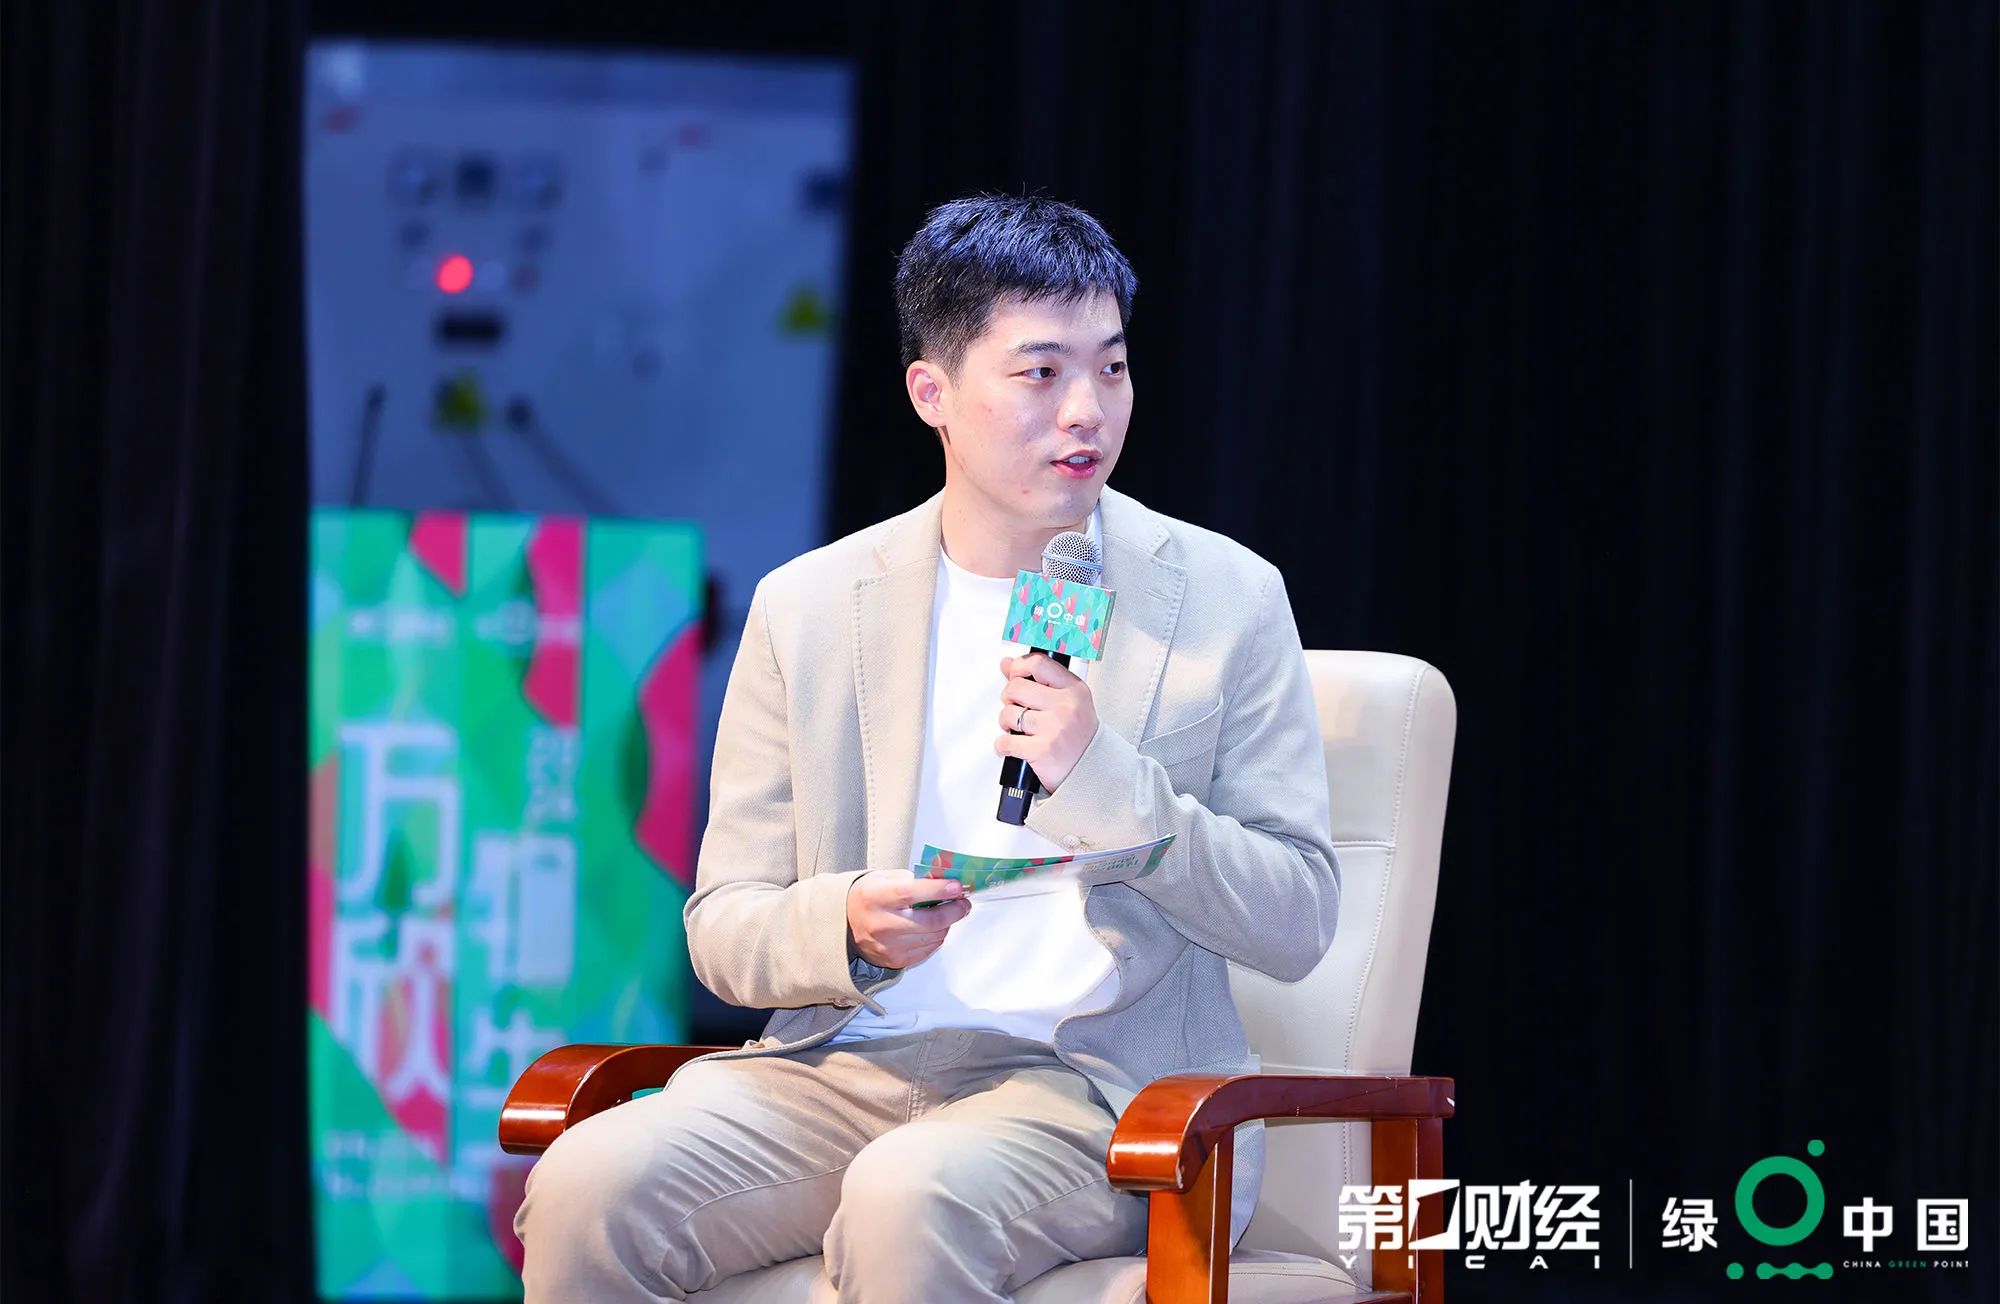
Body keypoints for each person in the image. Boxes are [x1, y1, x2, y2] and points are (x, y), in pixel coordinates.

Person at [514, 195, 1340, 1302]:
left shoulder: (1225, 598)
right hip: (839, 1064)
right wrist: (847, 925)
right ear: (931, 393)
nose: (1087, 409)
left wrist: (1106, 785)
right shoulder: (810, 607)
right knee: (589, 1183)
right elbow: (723, 924)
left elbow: (1298, 916)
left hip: (1097, 1092)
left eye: (1111, 367)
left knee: (909, 1194)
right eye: (1040, 372)